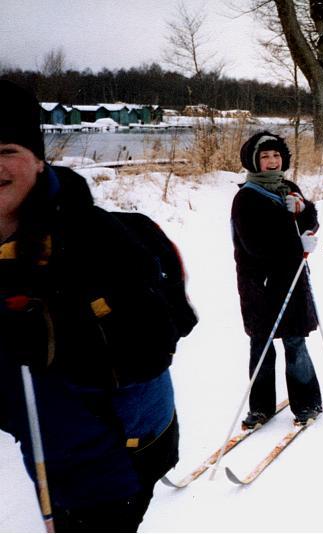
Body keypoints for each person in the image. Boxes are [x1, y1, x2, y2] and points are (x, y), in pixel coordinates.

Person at [0, 80, 187, 531]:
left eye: (6, 150)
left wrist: (57, 336)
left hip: (118, 452)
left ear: (39, 159)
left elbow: (154, 341)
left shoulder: (95, 239)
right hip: (49, 450)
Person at [231, 131, 323, 429]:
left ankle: (307, 402)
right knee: (262, 343)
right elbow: (255, 245)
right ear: (254, 161)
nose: (272, 161)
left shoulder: (289, 188)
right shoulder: (246, 197)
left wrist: (305, 216)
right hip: (259, 283)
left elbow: (308, 221)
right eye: (265, 156)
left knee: (295, 341)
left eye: (276, 155)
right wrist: (297, 244)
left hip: (291, 280)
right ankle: (260, 408)